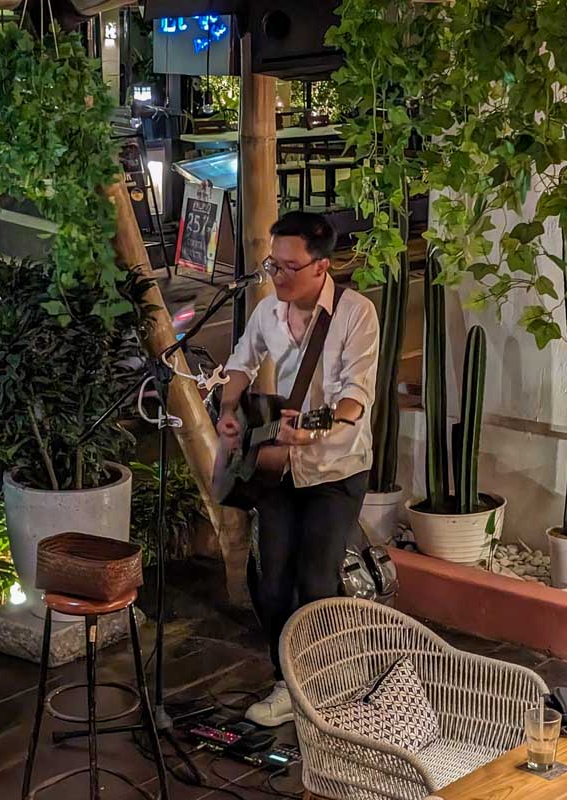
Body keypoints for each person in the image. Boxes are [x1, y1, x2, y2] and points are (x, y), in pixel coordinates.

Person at [215, 211, 380, 727]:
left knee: (317, 581)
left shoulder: (356, 314)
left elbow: (356, 393)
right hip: (277, 467)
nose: (277, 276)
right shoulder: (269, 310)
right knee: (271, 581)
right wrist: (228, 410)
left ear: (322, 266)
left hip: (335, 468)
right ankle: (288, 682)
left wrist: (315, 430)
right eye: (272, 265)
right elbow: (241, 361)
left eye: (288, 267)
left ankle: (327, 685)